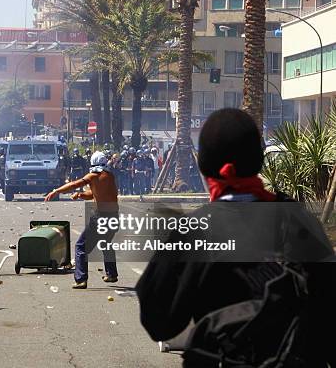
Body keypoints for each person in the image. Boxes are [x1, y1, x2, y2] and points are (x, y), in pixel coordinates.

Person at [136, 109, 336, 366]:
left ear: (205, 165)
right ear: (258, 159)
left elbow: (160, 323)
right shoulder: (299, 221)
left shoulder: (196, 228)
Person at [45, 151, 119, 289]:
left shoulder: (93, 175)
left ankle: (81, 279)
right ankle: (111, 274)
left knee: (81, 246)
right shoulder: (109, 176)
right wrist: (80, 194)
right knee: (106, 243)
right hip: (114, 216)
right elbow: (94, 194)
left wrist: (56, 191)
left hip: (100, 217)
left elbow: (74, 184)